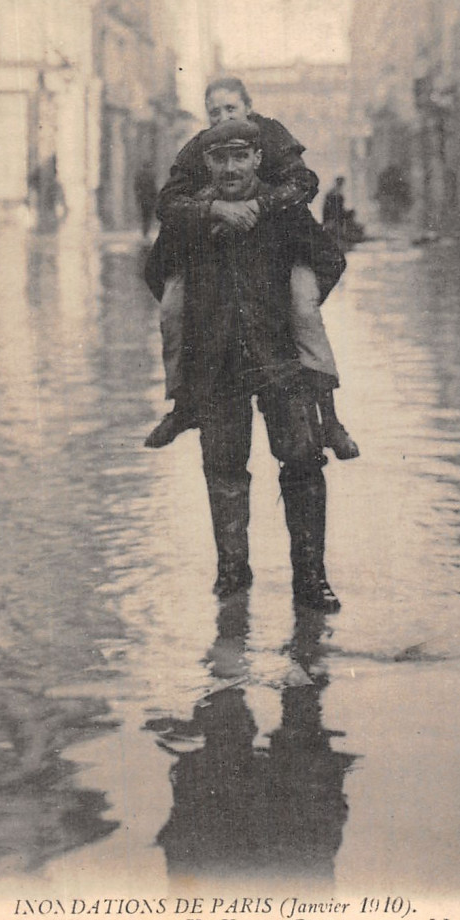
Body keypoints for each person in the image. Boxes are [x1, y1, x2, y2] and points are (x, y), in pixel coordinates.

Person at [155, 117, 344, 612]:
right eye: (220, 159)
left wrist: (299, 297)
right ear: (207, 164)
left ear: (259, 159)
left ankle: (311, 581)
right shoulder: (191, 218)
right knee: (223, 467)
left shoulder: (284, 209)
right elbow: (157, 270)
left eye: (241, 157)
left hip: (279, 360)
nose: (232, 168)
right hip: (217, 364)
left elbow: (329, 259)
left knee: (302, 462)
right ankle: (233, 576)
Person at [144, 77, 358, 460]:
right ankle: (181, 404)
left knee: (303, 310)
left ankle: (331, 418)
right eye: (215, 112)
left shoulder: (271, 134)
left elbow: (304, 182)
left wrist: (260, 206)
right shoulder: (197, 147)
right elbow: (168, 202)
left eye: (231, 109)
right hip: (211, 237)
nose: (223, 118)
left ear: (249, 107)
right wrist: (213, 208)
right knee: (172, 308)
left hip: (285, 241)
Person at [134, 160, 158, 238]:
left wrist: (138, 197)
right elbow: (154, 188)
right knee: (148, 216)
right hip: (150, 199)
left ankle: (144, 231)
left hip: (143, 199)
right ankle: (146, 231)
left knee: (144, 216)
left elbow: (136, 187)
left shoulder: (139, 175)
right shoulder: (151, 175)